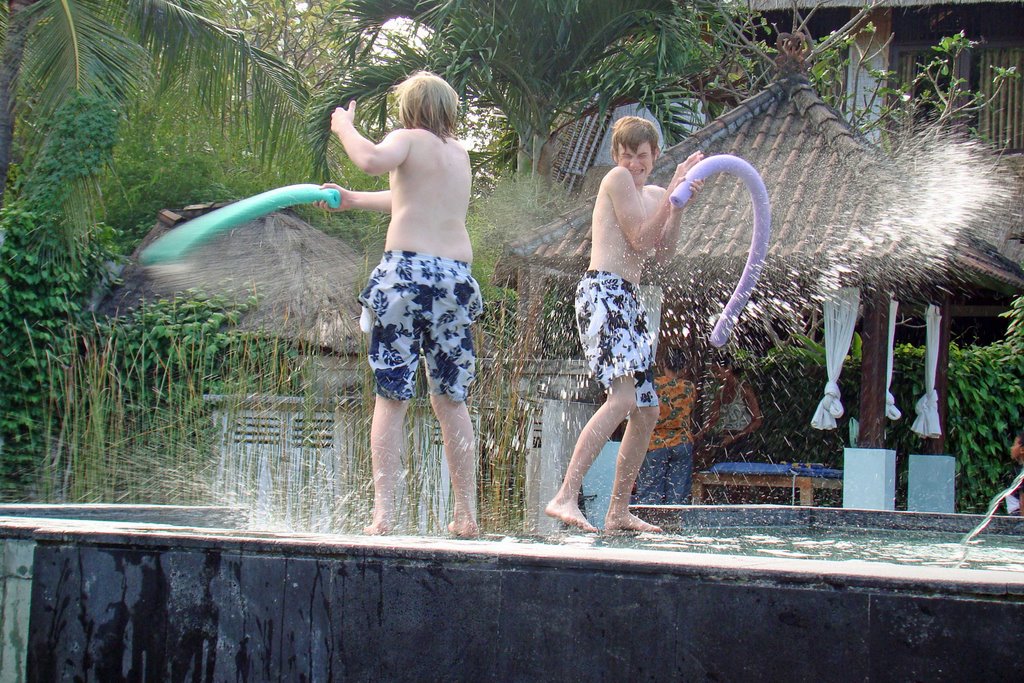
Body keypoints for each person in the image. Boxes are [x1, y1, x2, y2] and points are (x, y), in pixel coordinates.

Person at [319, 71, 482, 537]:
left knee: (392, 398)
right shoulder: (458, 155)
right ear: (448, 111)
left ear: (408, 112)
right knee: (451, 399)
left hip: (406, 278)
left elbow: (371, 159)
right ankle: (466, 515)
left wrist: (344, 127)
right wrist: (352, 201)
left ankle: (384, 515)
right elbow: (410, 197)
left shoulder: (406, 138)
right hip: (455, 281)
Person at [544, 116, 704, 533]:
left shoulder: (653, 193)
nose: (634, 163)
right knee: (623, 400)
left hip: (628, 299)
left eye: (642, 156)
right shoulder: (615, 179)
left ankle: (617, 512)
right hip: (603, 293)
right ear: (617, 156)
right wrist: (672, 191)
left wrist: (676, 206)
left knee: (648, 410)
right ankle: (565, 495)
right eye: (628, 155)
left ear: (654, 158)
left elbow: (662, 253)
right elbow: (637, 239)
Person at [634, 347, 697, 505]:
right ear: (684, 367)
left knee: (650, 492)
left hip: (655, 442)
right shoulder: (689, 387)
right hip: (682, 442)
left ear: (662, 364)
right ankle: (676, 525)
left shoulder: (653, 385)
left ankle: (649, 523)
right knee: (679, 491)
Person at [701, 356, 763, 466]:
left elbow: (757, 420)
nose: (715, 374)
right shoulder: (720, 391)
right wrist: (700, 434)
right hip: (726, 438)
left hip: (744, 440)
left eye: (717, 370)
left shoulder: (744, 389)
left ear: (728, 368)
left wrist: (735, 437)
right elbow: (713, 419)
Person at [1004, 430, 1024, 515]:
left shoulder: (1021, 475)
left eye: (1014, 445)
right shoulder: (1018, 470)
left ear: (1022, 450)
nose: (1011, 448)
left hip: (1018, 517)